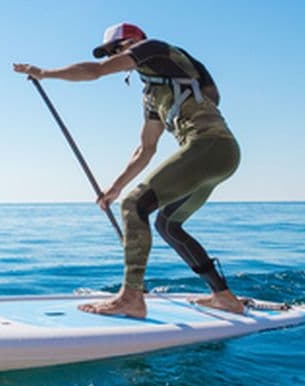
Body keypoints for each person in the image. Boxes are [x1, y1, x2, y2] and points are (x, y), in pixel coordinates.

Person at [13, 23, 245, 318]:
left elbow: (96, 71)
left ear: (135, 41)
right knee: (167, 225)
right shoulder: (152, 94)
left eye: (117, 49)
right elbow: (145, 149)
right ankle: (224, 296)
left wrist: (44, 73)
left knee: (135, 205)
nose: (115, 56)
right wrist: (114, 188)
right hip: (216, 156)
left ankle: (131, 298)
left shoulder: (153, 48)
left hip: (211, 147)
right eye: (111, 51)